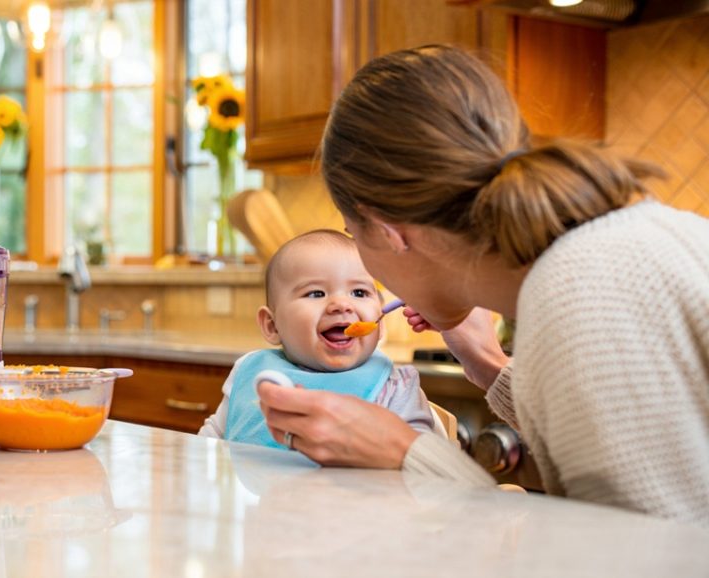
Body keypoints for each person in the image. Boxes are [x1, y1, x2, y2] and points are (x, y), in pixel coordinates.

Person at [256, 44, 709, 526]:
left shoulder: (585, 299)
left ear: (388, 230)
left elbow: (635, 552)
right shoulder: (599, 259)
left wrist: (408, 452)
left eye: (353, 233)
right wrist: (487, 361)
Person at [198, 229, 438, 449]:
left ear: (380, 323)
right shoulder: (251, 372)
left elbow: (421, 461)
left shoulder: (395, 386)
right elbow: (211, 444)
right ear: (272, 325)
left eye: (359, 292)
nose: (341, 304)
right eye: (316, 293)